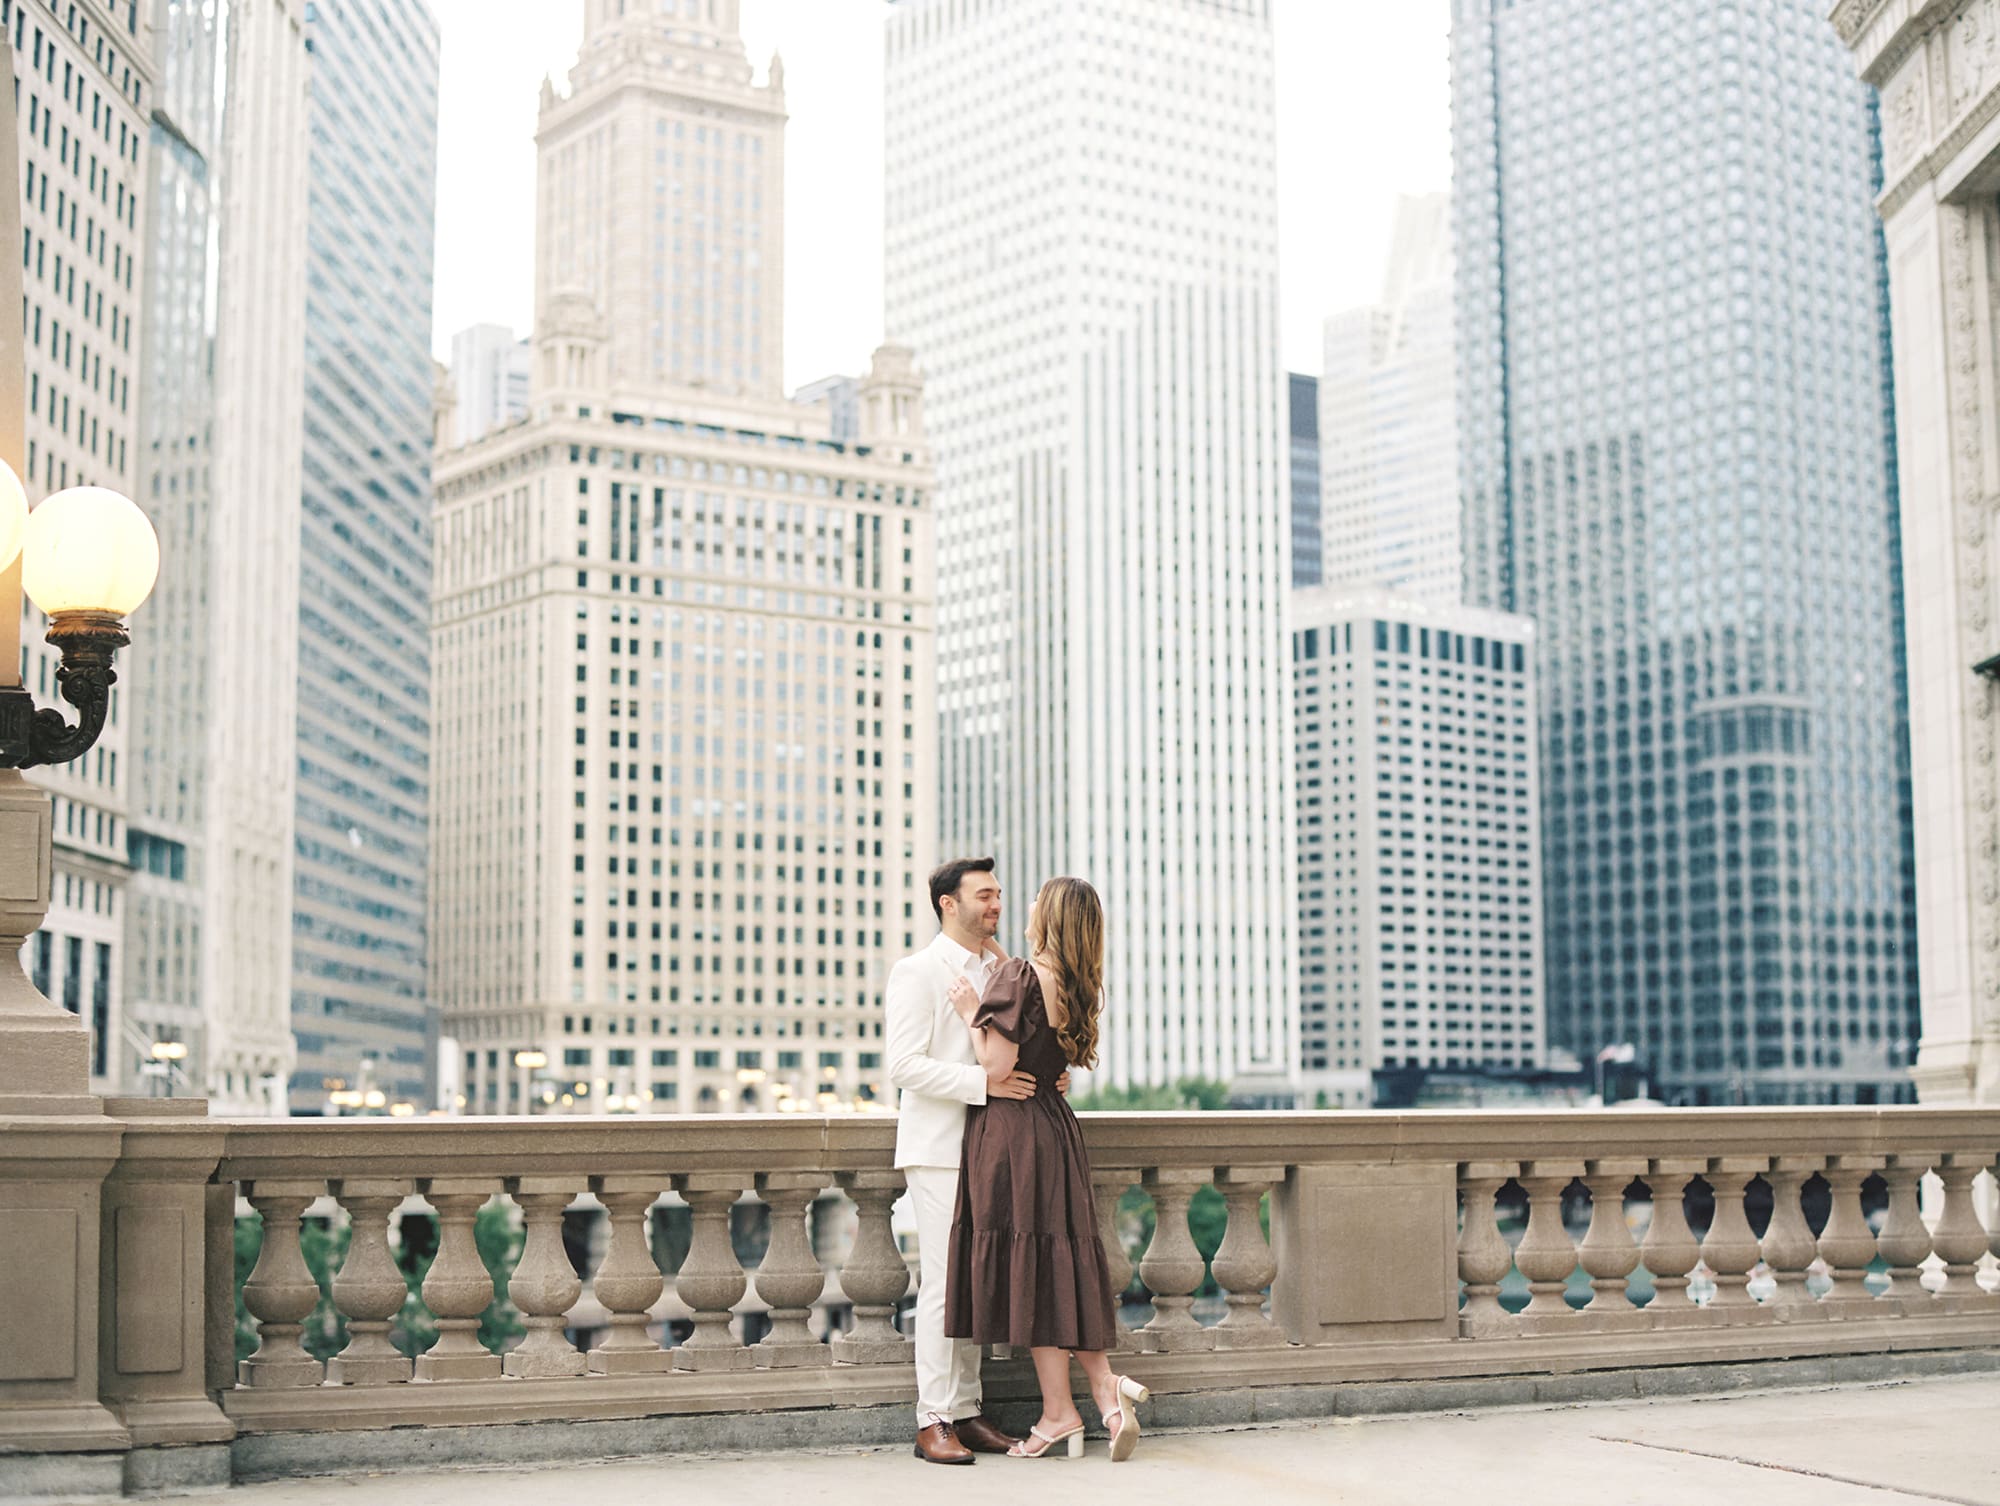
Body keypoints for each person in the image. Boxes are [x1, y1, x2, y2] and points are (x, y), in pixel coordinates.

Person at [943, 876, 1150, 1462]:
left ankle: (1063, 1412)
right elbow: (1051, 1052)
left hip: (1013, 1136)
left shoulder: (1016, 980)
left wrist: (969, 1013)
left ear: (1049, 915)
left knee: (1032, 1269)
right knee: (1059, 1265)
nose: (1023, 907)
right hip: (1057, 1129)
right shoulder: (1077, 982)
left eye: (1034, 901)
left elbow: (996, 1063)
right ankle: (1103, 1393)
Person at [884, 857, 1035, 1466]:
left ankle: (967, 1412)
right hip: (940, 1149)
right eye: (984, 895)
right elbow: (903, 1065)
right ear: (949, 903)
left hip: (992, 1149)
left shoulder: (1000, 968)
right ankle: (934, 1419)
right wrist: (984, 1085)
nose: (996, 903)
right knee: (945, 1287)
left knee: (976, 1286)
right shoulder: (916, 972)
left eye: (999, 893)